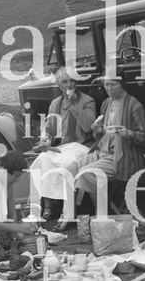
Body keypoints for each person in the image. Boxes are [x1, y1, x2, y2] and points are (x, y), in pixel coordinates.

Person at [73, 76, 145, 213]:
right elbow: (101, 136)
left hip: (121, 156)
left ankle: (101, 213)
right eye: (106, 84)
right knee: (71, 167)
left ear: (122, 84)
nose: (108, 88)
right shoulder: (106, 103)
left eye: (112, 84)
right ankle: (72, 212)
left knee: (88, 174)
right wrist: (97, 129)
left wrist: (129, 133)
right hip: (102, 152)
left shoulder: (134, 106)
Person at [29, 66, 96, 220]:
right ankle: (47, 206)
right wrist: (45, 140)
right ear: (60, 86)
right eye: (65, 82)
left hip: (81, 146)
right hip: (62, 147)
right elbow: (49, 128)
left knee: (67, 164)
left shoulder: (87, 101)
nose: (69, 85)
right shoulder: (55, 104)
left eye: (72, 80)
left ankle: (68, 211)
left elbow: (88, 126)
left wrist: (74, 105)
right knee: (41, 161)